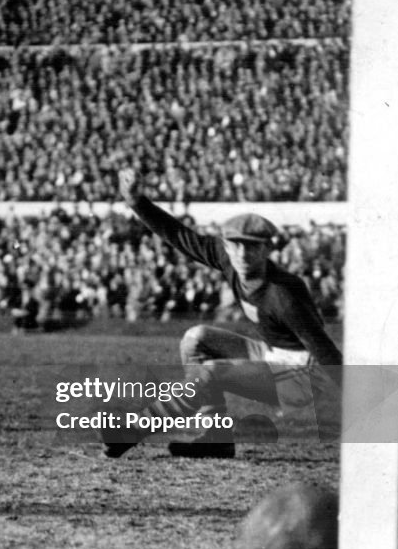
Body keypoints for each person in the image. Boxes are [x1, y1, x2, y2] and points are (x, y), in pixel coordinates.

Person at [103, 169, 343, 459]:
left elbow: (324, 350)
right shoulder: (228, 260)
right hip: (273, 355)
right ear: (226, 246)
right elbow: (181, 237)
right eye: (235, 245)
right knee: (196, 339)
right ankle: (215, 437)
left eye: (252, 247)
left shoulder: (283, 294)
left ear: (267, 249)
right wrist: (137, 202)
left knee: (210, 373)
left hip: (302, 378)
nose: (242, 254)